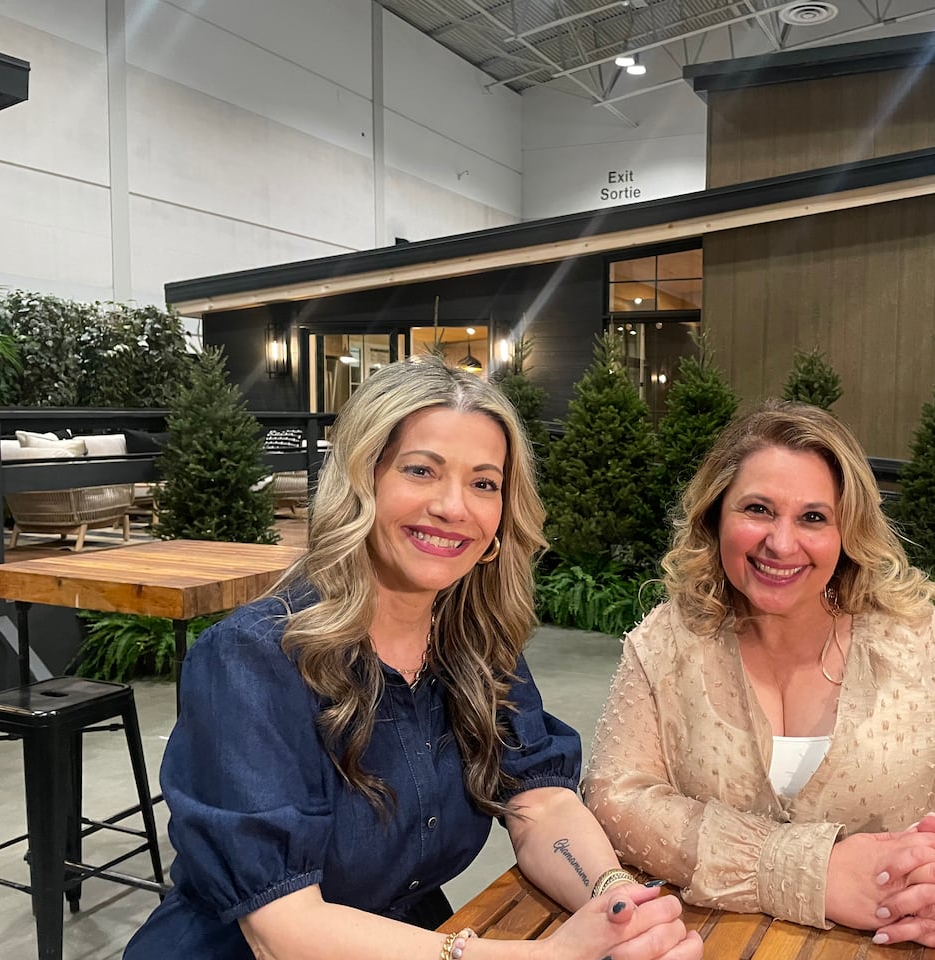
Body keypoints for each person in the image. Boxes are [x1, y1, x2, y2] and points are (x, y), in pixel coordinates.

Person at [125, 356, 702, 960]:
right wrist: (551, 956)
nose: (455, 507)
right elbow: (282, 930)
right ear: (361, 481)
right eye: (421, 471)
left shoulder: (474, 640)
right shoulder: (252, 660)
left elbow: (540, 799)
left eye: (484, 483)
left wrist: (615, 906)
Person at [583, 401, 935, 952]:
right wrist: (811, 874)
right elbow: (614, 796)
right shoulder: (667, 642)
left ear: (849, 531)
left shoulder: (929, 647)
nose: (781, 542)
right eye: (757, 509)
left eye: (813, 517)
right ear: (715, 515)